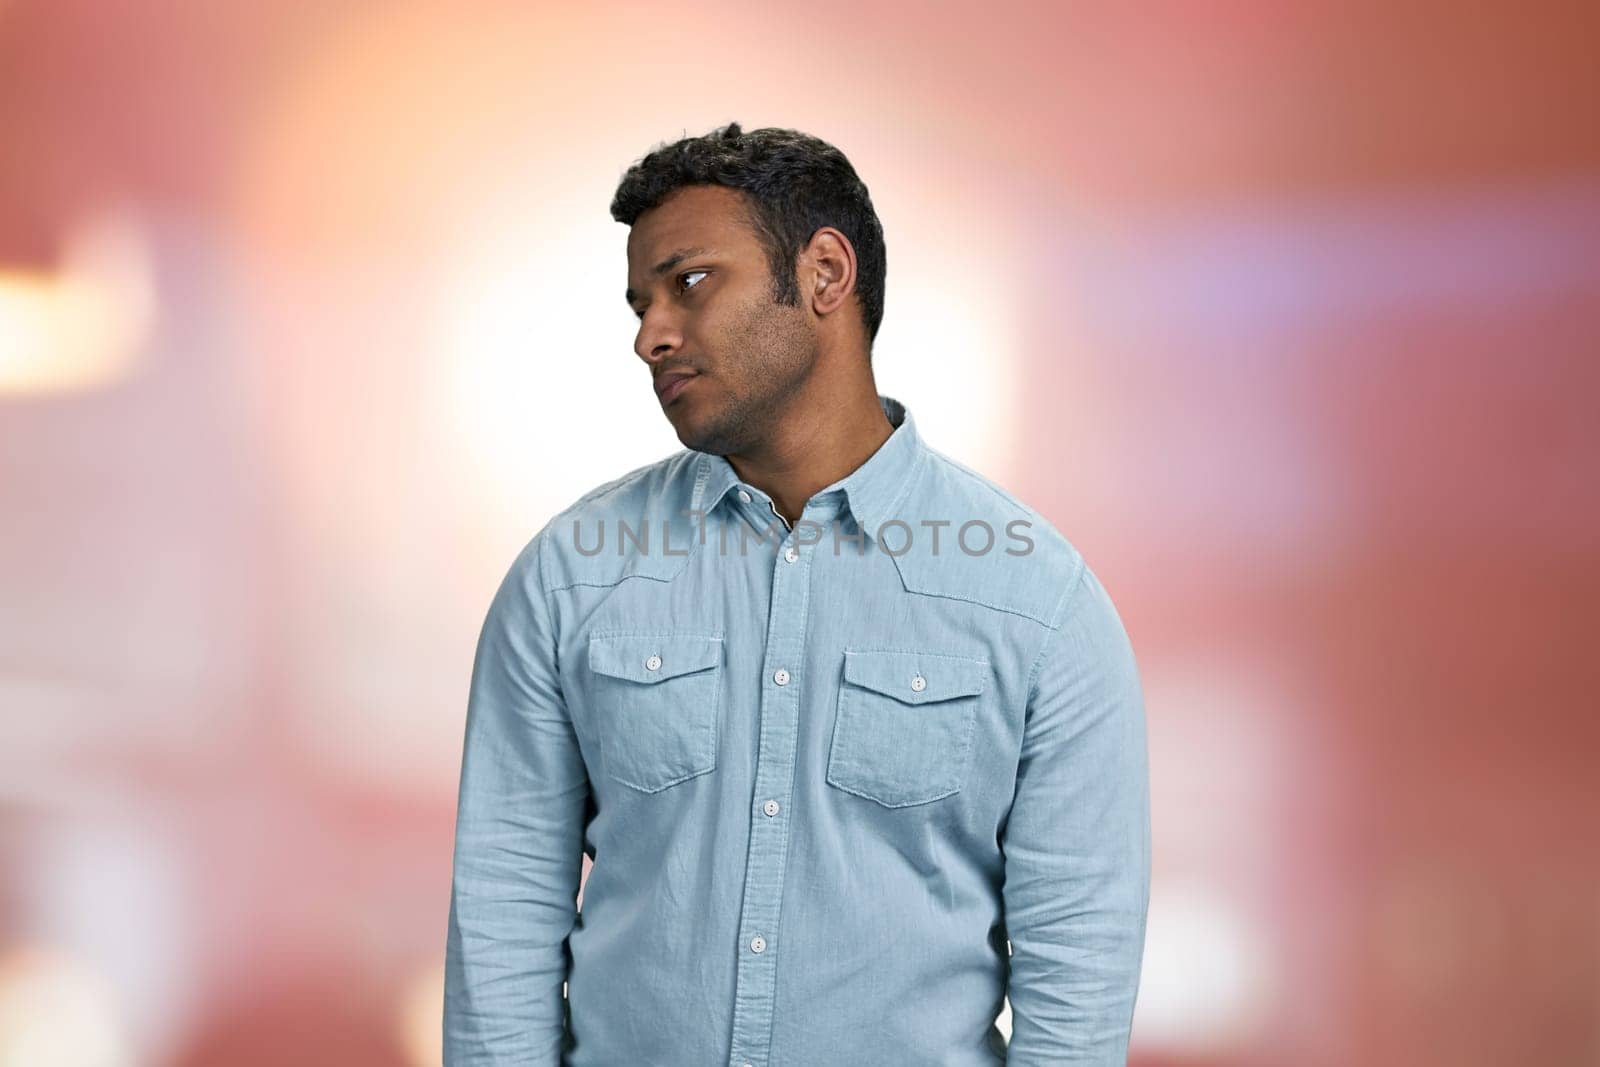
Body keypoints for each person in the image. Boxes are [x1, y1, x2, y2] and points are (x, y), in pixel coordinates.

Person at [443, 121, 1151, 1066]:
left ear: (824, 273)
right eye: (640, 302)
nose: (651, 334)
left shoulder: (1034, 598)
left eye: (689, 282)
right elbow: (504, 919)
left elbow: (1078, 981)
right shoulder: (572, 576)